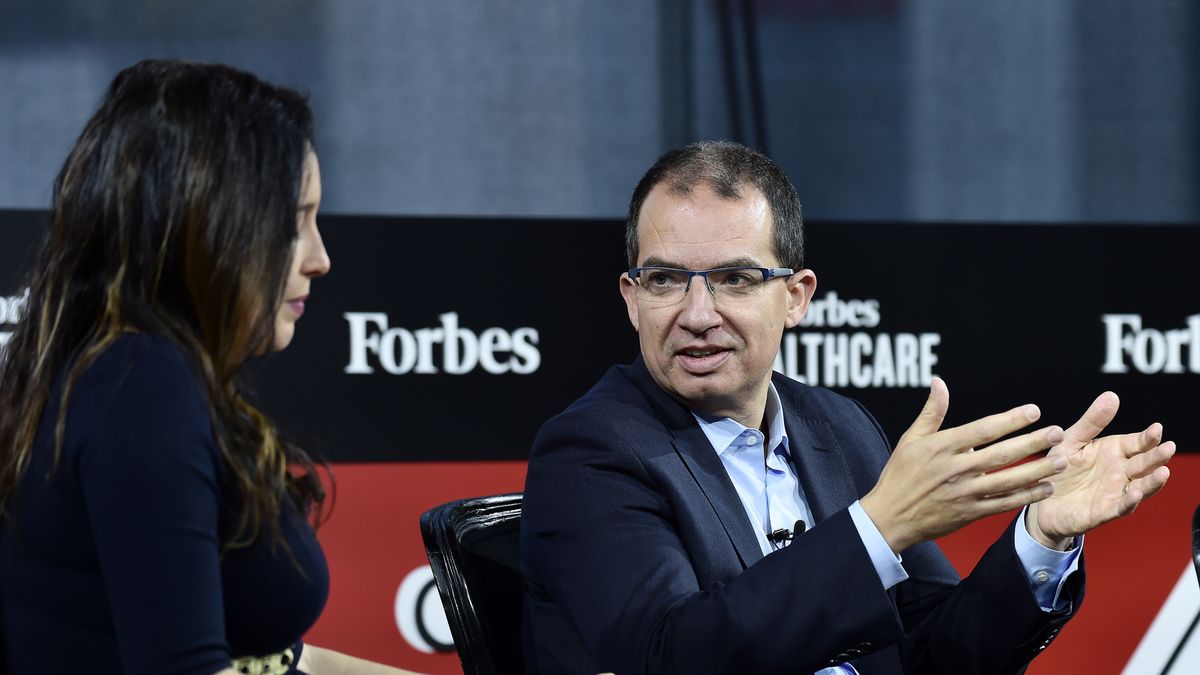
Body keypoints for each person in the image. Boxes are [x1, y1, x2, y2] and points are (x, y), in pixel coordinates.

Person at [520, 141, 1175, 674]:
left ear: (797, 296)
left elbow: (937, 655)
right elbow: (669, 655)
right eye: (665, 279)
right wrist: (875, 528)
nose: (697, 314)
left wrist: (1042, 533)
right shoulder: (590, 451)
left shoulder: (837, 427)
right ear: (632, 298)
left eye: (734, 280)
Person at [0, 60, 415, 675]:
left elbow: (281, 665)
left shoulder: (122, 374)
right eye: (295, 221)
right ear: (209, 220)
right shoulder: (141, 386)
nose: (321, 258)